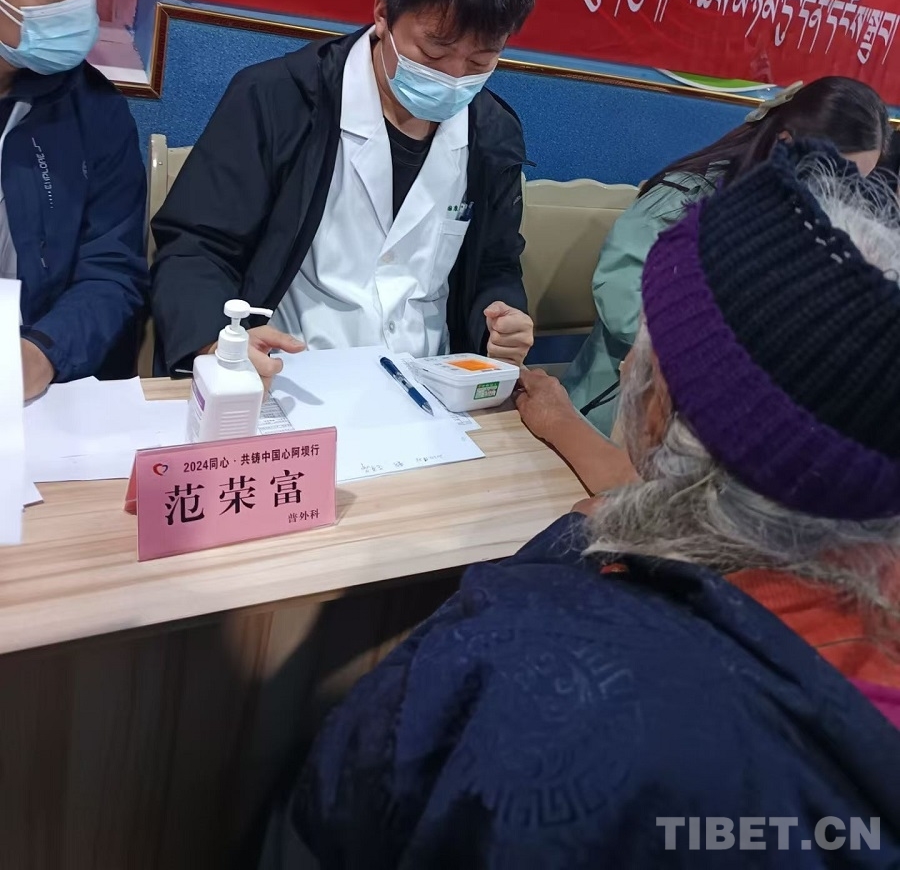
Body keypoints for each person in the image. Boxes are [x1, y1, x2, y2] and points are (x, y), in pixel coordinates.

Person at [264, 141, 900, 867]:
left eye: (643, 345)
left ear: (657, 409)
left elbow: (340, 804)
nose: (624, 362)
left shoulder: (523, 664)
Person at [151, 0, 541, 382]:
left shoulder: (493, 135)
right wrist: (217, 344)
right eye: (434, 52)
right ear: (383, 13)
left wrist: (500, 320)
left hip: (429, 384)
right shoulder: (278, 99)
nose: (454, 76)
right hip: (291, 375)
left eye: (481, 60)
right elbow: (197, 246)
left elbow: (495, 265)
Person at [565, 76, 889, 437]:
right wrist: (722, 358)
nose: (835, 193)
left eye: (852, 183)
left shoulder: (812, 226)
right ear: (785, 143)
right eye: (830, 174)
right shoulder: (685, 197)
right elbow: (621, 298)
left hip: (724, 422)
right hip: (617, 409)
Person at [0, 0, 146, 399]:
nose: (78, 5)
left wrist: (42, 354)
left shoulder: (95, 110)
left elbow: (112, 270)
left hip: (33, 394)